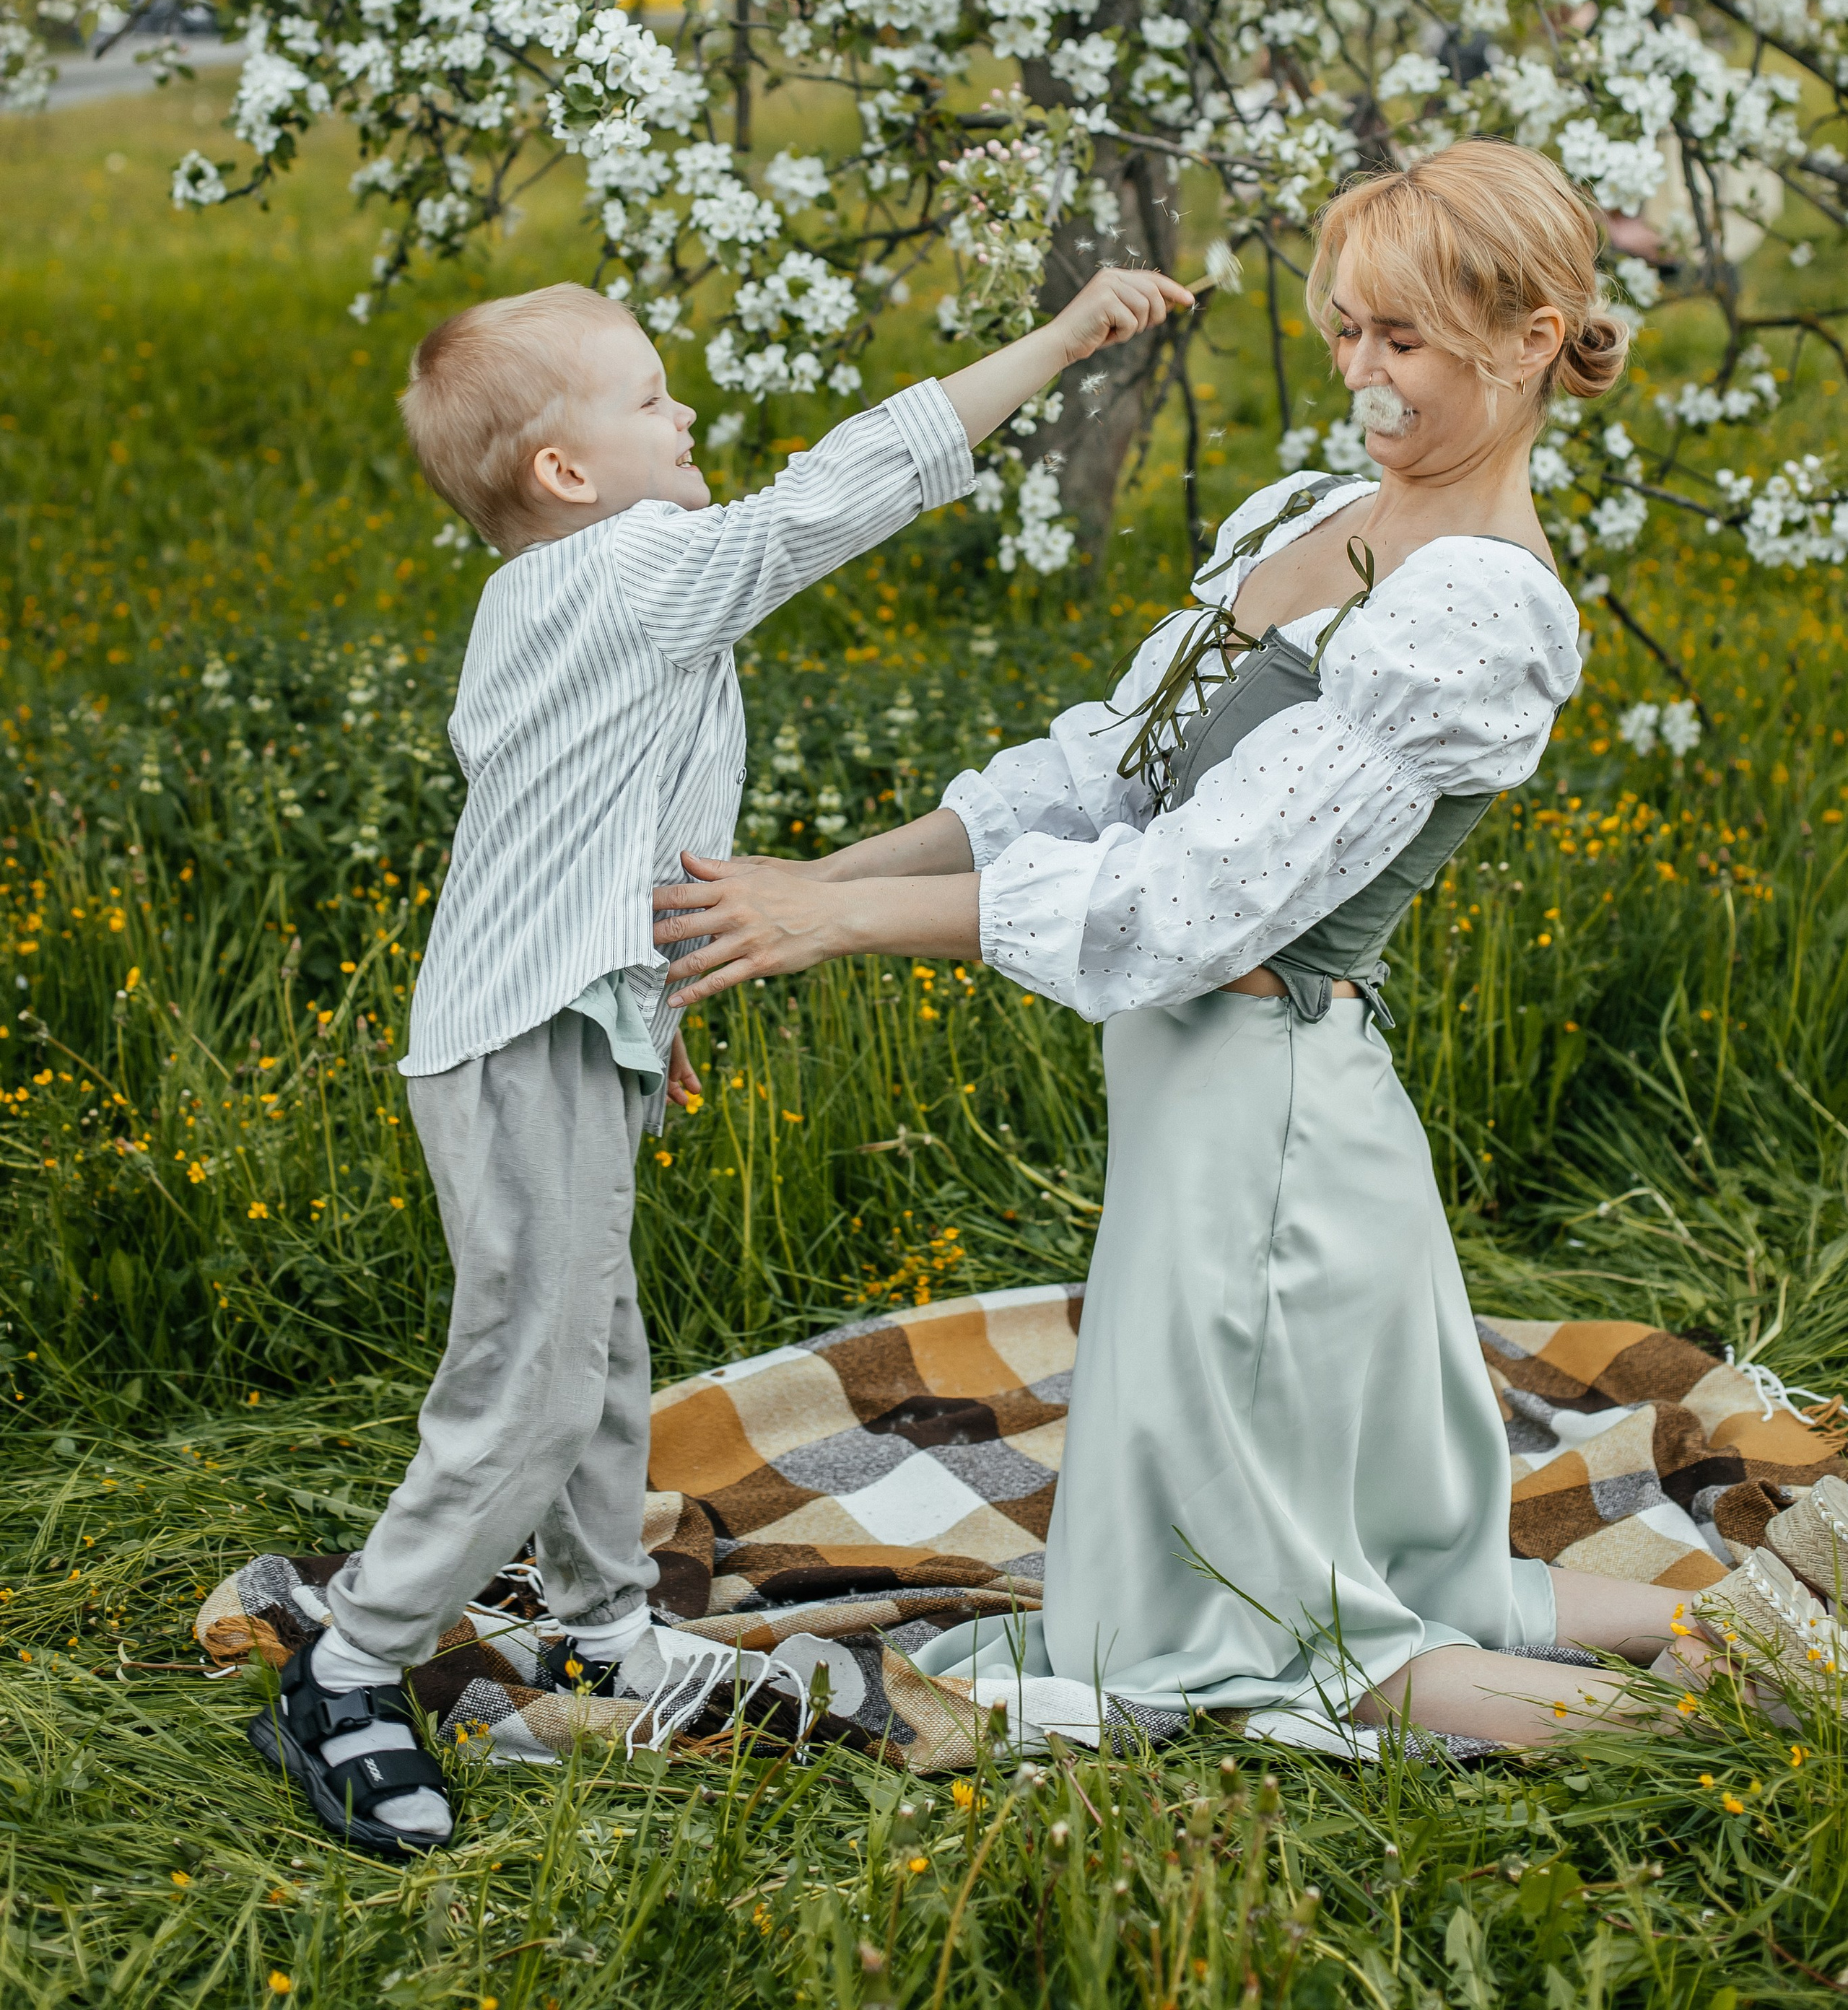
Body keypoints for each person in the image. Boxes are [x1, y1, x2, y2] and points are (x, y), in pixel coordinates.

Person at [653, 141, 1779, 1749]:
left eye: (1401, 340)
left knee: (1264, 1634)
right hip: (1224, 1122)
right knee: (1408, 1573)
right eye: (1341, 330)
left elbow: (1181, 908)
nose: (1359, 374)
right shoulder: (1319, 516)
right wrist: (790, 884)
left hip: (1268, 1137)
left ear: (1529, 339)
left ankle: (1747, 1745)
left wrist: (828, 922)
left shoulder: (1476, 612)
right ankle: (1756, 1645)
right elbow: (1096, 772)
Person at [250, 262, 1191, 1857]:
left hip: (571, 1021)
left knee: (600, 1355)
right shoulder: (628, 572)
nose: (681, 415)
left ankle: (604, 1624)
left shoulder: (589, 596)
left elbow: (609, 828)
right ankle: (347, 1672)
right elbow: (835, 498)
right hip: (515, 1041)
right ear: (564, 474)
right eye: (644, 399)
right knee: (533, 1378)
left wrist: (651, 1004)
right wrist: (1052, 339)